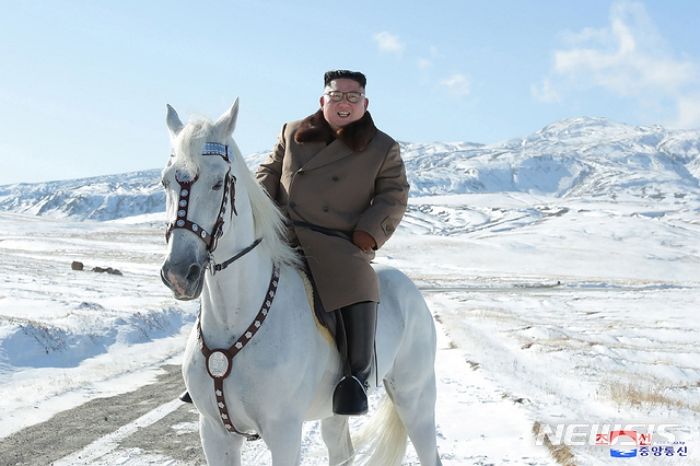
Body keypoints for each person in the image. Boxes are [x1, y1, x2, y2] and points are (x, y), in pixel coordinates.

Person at [255, 70, 409, 415]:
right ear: (322, 100)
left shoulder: (382, 147)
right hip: (282, 233)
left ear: (365, 103)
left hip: (336, 240)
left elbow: (394, 195)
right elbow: (267, 171)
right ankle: (212, 364)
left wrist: (366, 235)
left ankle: (354, 378)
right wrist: (260, 207)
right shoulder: (292, 131)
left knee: (358, 281)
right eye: (337, 95)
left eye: (353, 97)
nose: (344, 103)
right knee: (231, 266)